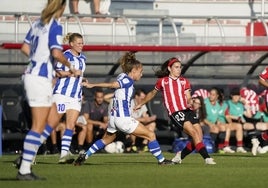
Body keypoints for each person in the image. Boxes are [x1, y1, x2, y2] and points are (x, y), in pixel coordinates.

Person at [74, 52, 173, 165]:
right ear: (134, 71)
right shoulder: (127, 81)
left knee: (107, 139)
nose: (142, 74)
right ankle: (162, 160)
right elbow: (113, 85)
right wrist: (92, 85)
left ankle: (85, 155)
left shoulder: (122, 75)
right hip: (123, 119)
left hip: (113, 118)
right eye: (140, 71)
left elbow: (117, 83)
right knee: (151, 135)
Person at [16, 0, 78, 181]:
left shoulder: (37, 23)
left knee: (53, 117)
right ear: (62, 7)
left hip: (33, 75)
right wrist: (71, 67)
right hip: (39, 79)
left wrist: (38, 59)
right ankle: (25, 169)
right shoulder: (55, 25)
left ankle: (27, 155)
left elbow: (25, 48)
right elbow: (57, 53)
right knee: (38, 125)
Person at [134, 57, 216, 165]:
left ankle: (180, 156)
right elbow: (152, 94)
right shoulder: (163, 81)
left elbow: (188, 96)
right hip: (176, 112)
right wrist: (141, 103)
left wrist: (190, 101)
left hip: (188, 110)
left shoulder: (184, 81)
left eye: (180, 67)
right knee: (193, 133)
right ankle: (207, 158)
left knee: (198, 137)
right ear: (169, 68)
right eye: (176, 67)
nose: (179, 69)